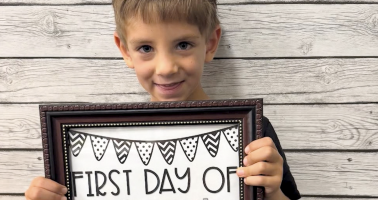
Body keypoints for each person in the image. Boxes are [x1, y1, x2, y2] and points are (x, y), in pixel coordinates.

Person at [25, 0, 301, 199]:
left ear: (210, 43)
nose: (166, 67)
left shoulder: (253, 135)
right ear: (125, 50)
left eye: (183, 45)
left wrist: (273, 192)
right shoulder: (83, 146)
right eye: (146, 48)